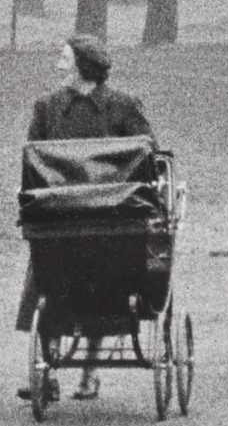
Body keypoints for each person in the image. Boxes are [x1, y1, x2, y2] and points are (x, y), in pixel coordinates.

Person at [16, 34, 154, 402]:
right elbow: (32, 156)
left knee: (105, 285)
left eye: (64, 58)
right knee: (49, 277)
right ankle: (46, 367)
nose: (59, 65)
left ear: (82, 65)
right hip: (60, 215)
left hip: (112, 215)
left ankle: (91, 370)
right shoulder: (46, 107)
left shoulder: (122, 105)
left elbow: (147, 154)